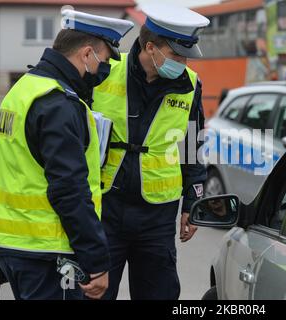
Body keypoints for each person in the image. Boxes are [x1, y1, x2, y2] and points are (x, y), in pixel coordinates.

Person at [0, 10, 133, 300]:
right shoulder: (58, 103)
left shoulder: (22, 89)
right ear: (87, 54)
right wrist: (97, 262)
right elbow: (69, 190)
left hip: (12, 245)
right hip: (48, 252)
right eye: (105, 61)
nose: (105, 69)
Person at [91, 3, 210, 300]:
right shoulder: (105, 72)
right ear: (150, 47)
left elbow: (193, 146)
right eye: (176, 55)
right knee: (92, 293)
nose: (182, 63)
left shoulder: (190, 86)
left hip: (157, 216)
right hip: (105, 206)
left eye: (185, 56)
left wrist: (192, 203)